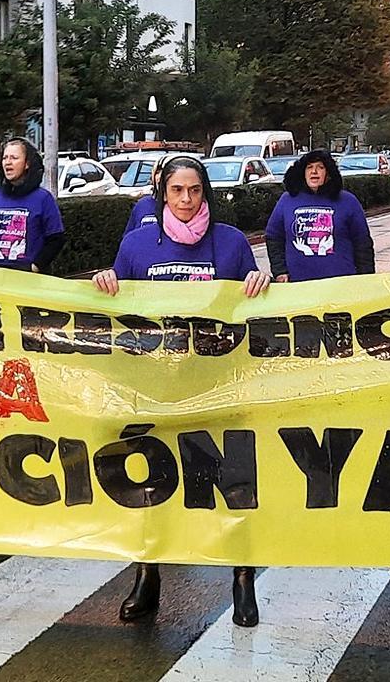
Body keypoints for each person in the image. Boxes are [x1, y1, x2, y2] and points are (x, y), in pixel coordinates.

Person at [93, 156, 271, 627]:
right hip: (157, 389)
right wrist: (105, 284)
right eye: (177, 191)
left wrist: (263, 283)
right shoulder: (135, 245)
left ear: (205, 193)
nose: (187, 200)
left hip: (220, 387)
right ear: (163, 195)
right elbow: (117, 308)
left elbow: (255, 309)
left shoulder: (231, 244)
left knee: (234, 483)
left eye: (195, 190)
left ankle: (242, 579)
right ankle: (147, 578)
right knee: (150, 486)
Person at [264, 150, 375, 283]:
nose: (314, 171)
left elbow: (362, 243)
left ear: (328, 173)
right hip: (298, 286)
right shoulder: (287, 200)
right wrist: (280, 271)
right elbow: (274, 237)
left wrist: (366, 279)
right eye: (309, 167)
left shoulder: (348, 201)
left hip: (342, 285)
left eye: (320, 167)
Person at [0, 138, 65, 273]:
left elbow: (56, 239)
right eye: (5, 158)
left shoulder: (43, 198)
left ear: (27, 163)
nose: (8, 162)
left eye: (14, 158)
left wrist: (35, 266)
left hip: (27, 279)